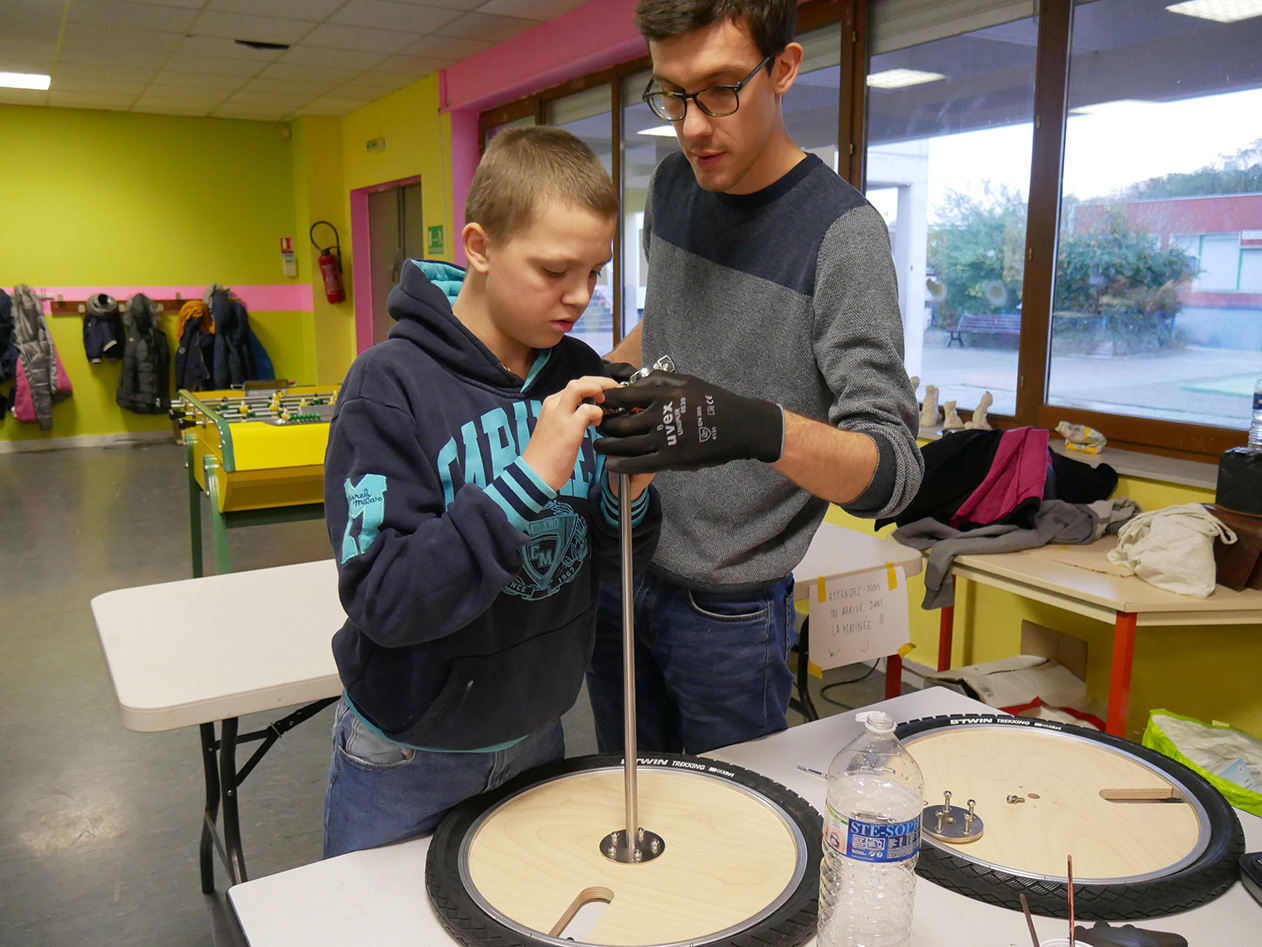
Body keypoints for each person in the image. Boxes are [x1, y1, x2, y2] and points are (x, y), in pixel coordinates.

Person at [587, 0, 923, 755]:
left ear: (784, 69)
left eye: (718, 90)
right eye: (672, 94)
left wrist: (752, 425)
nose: (692, 126)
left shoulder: (843, 237)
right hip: (619, 565)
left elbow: (894, 470)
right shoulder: (674, 186)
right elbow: (663, 328)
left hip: (726, 613)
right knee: (622, 792)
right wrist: (594, 375)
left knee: (728, 816)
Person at [321, 126, 660, 858]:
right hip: (411, 752)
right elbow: (384, 599)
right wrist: (528, 479)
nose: (581, 296)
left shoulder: (577, 368)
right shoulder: (387, 386)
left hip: (537, 730)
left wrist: (628, 495)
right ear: (478, 247)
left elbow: (605, 562)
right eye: (554, 270)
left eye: (595, 272)